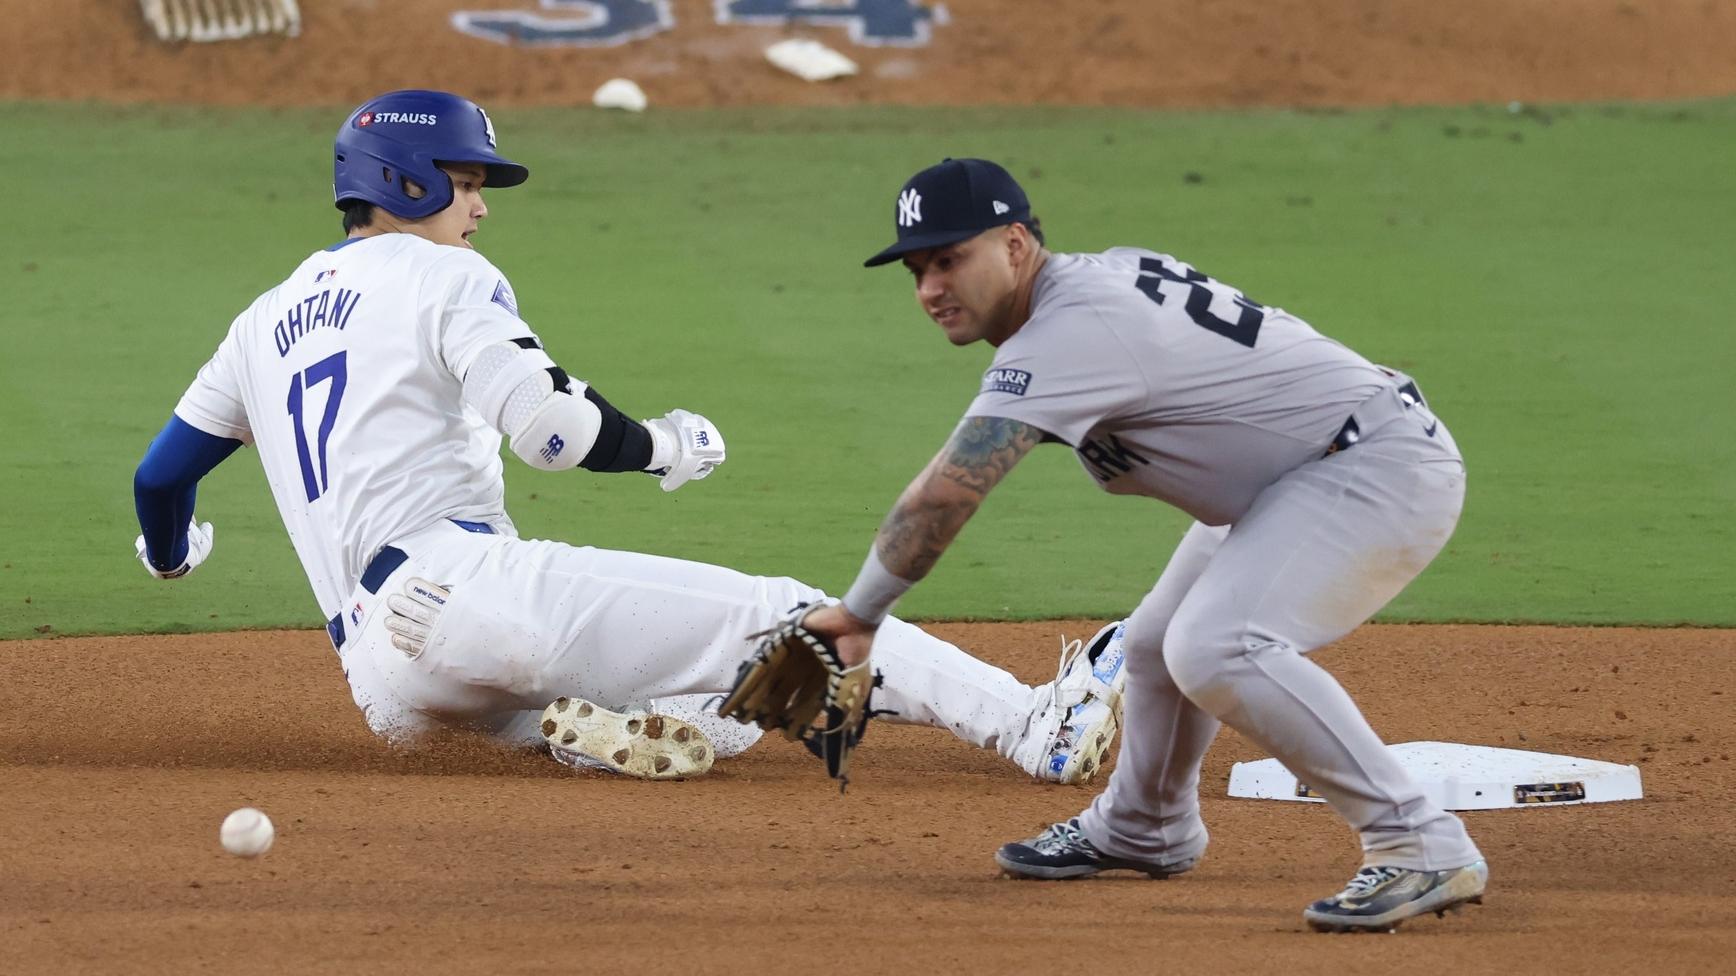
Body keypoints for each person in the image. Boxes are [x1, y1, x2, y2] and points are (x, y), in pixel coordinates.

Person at [129, 93, 1127, 785]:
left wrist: (172, 556)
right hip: (466, 593)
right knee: (791, 618)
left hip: (385, 688)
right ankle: (1038, 725)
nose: (479, 207)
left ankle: (597, 735)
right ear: (407, 181)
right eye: (465, 182)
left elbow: (161, 476)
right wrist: (662, 446)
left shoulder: (260, 322)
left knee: (720, 691)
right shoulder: (441, 278)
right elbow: (552, 433)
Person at [799, 157, 1487, 932]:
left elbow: (946, 494)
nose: (929, 288)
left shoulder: (1071, 330)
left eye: (951, 259)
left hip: (1371, 466)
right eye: (918, 268)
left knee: (1220, 646)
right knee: (1158, 645)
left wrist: (859, 615)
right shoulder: (1085, 291)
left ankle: (1418, 841)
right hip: (1302, 472)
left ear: (1017, 245)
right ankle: (1144, 824)